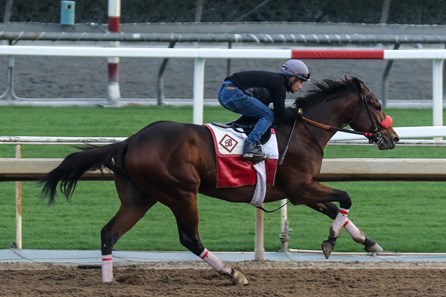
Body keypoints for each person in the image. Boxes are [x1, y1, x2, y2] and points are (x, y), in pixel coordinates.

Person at [217, 59, 310, 161]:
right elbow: (281, 113)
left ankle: (237, 127)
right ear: (293, 78)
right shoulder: (279, 84)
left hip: (224, 91)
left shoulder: (275, 82)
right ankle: (250, 146)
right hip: (233, 93)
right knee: (268, 115)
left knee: (262, 113)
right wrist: (297, 112)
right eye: (301, 81)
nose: (300, 86)